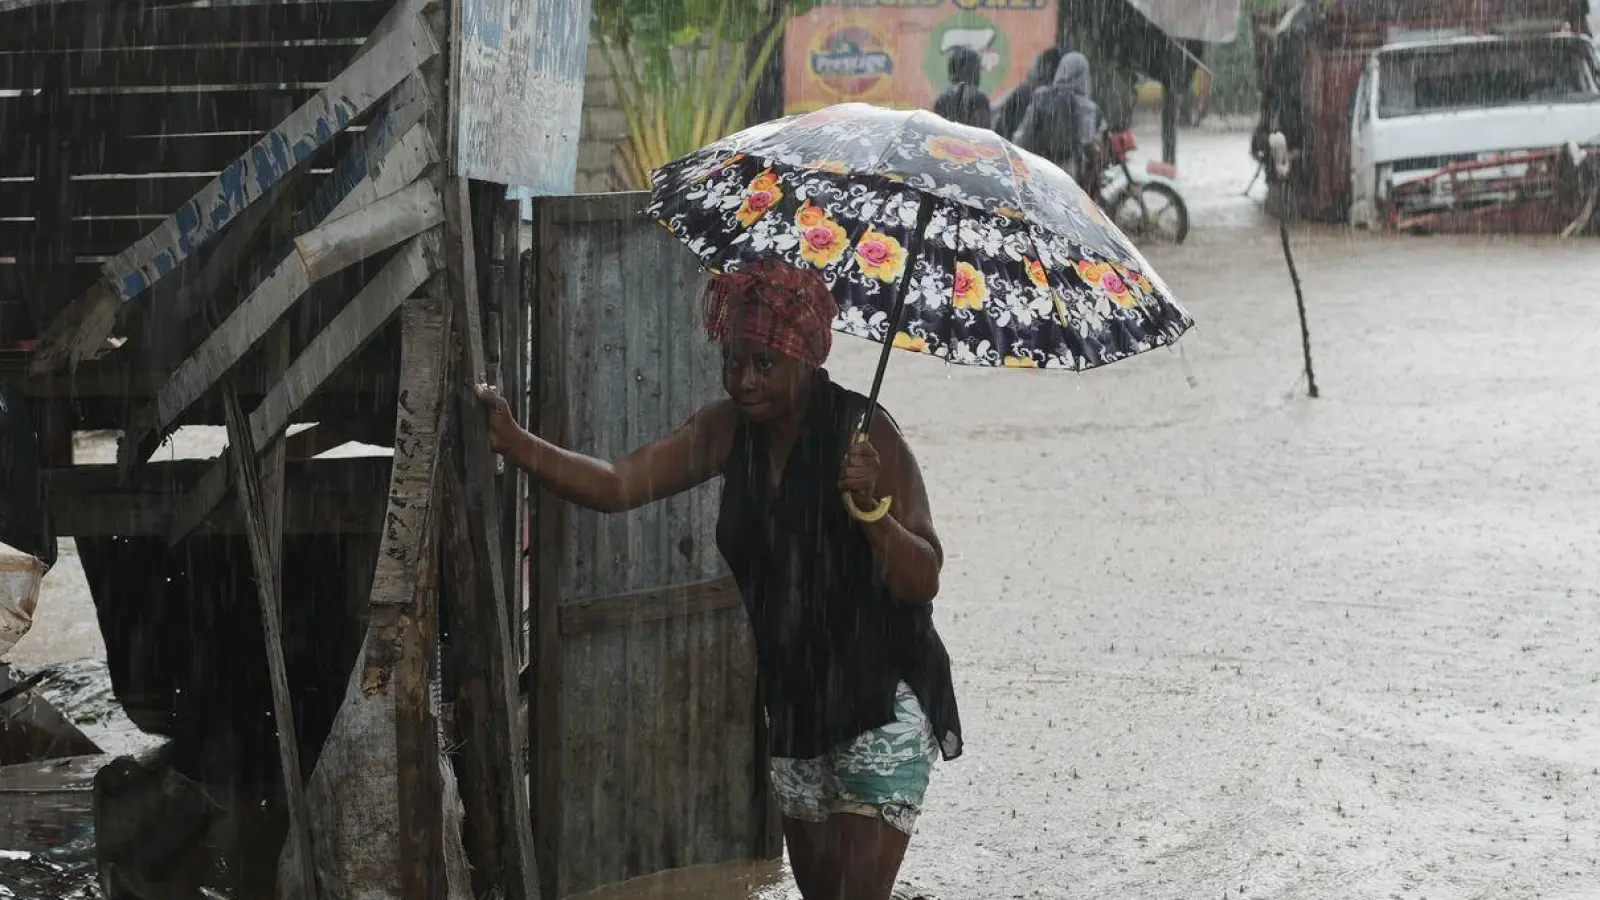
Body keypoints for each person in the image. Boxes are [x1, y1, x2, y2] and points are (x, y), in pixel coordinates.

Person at [475, 260, 962, 900]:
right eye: (733, 360)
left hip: (883, 699)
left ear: (809, 360)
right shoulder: (725, 432)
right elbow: (619, 485)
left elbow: (923, 578)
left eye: (765, 363)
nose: (743, 380)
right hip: (797, 706)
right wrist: (515, 441)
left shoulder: (868, 439)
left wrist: (870, 510)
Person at [1011, 51, 1105, 185]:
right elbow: (1087, 142)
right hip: (1067, 170)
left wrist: (1014, 155)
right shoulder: (1087, 107)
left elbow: (1025, 133)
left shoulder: (1042, 96)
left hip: (1038, 164)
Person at [991, 46, 1063, 139]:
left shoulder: (1025, 92)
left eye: (1037, 63)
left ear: (1046, 67)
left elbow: (1001, 127)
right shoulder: (1063, 100)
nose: (1031, 68)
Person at [931, 45, 992, 129]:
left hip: (947, 141)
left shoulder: (942, 98)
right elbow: (984, 130)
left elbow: (937, 129)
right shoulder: (980, 97)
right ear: (974, 69)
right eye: (978, 68)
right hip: (970, 141)